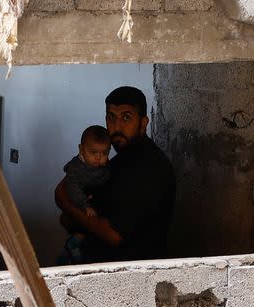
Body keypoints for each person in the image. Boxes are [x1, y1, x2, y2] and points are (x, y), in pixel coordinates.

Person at [55, 86, 176, 263]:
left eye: (126, 117)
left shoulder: (152, 167)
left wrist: (65, 202)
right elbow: (69, 220)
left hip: (131, 279)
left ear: (143, 123)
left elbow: (113, 234)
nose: (117, 127)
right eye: (111, 117)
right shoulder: (115, 163)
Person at [56, 125, 112, 264]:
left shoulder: (105, 166)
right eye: (93, 152)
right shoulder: (76, 169)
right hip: (81, 204)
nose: (99, 158)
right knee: (80, 232)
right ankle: (71, 249)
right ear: (81, 149)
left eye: (104, 153)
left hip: (95, 208)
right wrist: (85, 205)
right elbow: (72, 188)